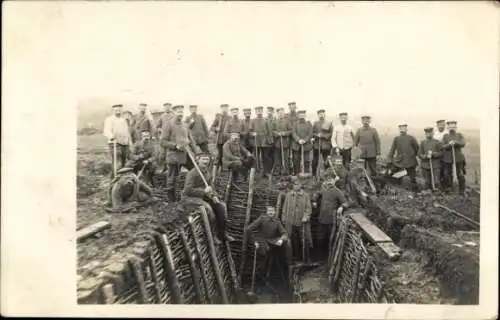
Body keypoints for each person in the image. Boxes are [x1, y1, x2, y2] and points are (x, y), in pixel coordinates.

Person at [181, 152, 235, 243]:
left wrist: (214, 196)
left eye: (207, 159)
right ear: (198, 160)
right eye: (203, 159)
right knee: (209, 210)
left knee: (221, 207)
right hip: (189, 198)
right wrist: (203, 191)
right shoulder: (192, 173)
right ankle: (213, 236)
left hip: (203, 197)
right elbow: (187, 190)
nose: (206, 161)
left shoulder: (207, 172)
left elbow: (211, 187)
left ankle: (222, 233)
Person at [160, 104, 199, 202]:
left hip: (186, 154)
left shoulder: (185, 124)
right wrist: (175, 146)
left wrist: (198, 153)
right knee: (172, 177)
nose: (180, 114)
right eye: (178, 112)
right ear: (174, 112)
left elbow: (191, 140)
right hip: (174, 155)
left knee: (195, 171)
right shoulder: (168, 124)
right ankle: (171, 200)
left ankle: (192, 192)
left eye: (182, 112)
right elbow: (163, 142)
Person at [246, 206, 292, 279]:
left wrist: (281, 240)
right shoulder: (262, 219)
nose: (270, 212)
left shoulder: (277, 221)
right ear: (267, 212)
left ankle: (288, 264)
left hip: (271, 240)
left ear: (275, 212)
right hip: (262, 240)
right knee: (264, 256)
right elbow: (249, 229)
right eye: (269, 211)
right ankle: (260, 276)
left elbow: (284, 233)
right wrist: (254, 241)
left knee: (287, 241)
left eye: (272, 211)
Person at [315, 177, 349, 260]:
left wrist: (341, 207)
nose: (329, 183)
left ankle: (331, 257)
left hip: (331, 220)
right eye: (328, 182)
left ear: (334, 182)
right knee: (320, 238)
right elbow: (317, 193)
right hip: (322, 218)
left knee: (332, 238)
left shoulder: (337, 191)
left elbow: (345, 203)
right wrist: (314, 199)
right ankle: (319, 256)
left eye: (331, 182)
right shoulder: (323, 189)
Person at [281, 182, 312, 262]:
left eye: (298, 184)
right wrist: (284, 218)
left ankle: (306, 259)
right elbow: (285, 207)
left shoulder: (305, 195)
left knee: (305, 240)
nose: (296, 186)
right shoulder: (288, 195)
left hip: (302, 222)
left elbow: (308, 209)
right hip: (291, 222)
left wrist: (306, 217)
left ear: (300, 185)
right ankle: (295, 258)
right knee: (294, 240)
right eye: (295, 184)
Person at [103, 104, 133, 178]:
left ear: (122, 110)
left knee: (124, 163)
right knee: (117, 164)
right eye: (116, 110)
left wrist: (130, 143)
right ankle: (114, 181)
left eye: (119, 110)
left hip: (125, 144)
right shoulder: (109, 119)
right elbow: (106, 130)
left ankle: (122, 181)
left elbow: (127, 132)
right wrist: (111, 136)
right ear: (113, 111)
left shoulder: (124, 120)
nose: (118, 111)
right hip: (115, 144)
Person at [441, 121, 466, 195]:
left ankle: (462, 191)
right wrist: (449, 144)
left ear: (456, 127)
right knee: (446, 174)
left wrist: (455, 142)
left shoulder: (459, 135)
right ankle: (448, 189)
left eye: (453, 127)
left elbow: (463, 143)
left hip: (458, 158)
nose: (452, 128)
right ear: (448, 127)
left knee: (460, 174)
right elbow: (443, 146)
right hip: (447, 159)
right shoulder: (445, 136)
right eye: (450, 127)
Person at [249, 106, 273, 176]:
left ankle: (266, 171)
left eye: (260, 110)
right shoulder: (253, 120)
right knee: (255, 156)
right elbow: (250, 131)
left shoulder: (266, 120)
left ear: (262, 111)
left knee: (265, 156)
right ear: (255, 112)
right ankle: (256, 170)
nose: (259, 112)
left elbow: (269, 131)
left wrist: (269, 140)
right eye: (257, 111)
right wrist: (253, 133)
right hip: (256, 141)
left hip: (264, 141)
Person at [418, 127, 443, 192]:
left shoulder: (437, 142)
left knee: (436, 181)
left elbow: (441, 153)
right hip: (425, 165)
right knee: (427, 182)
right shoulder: (423, 142)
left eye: (430, 132)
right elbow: (419, 154)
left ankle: (437, 193)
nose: (428, 134)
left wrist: (434, 154)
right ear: (425, 134)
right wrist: (425, 156)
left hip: (435, 165)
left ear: (433, 133)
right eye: (427, 133)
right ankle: (428, 194)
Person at [291, 110, 313, 175]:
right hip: (296, 145)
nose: (301, 116)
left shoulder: (308, 124)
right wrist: (298, 140)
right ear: (298, 116)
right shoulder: (295, 124)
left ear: (305, 115)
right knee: (296, 160)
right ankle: (297, 173)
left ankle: (306, 173)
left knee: (306, 160)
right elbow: (293, 133)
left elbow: (310, 133)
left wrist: (305, 140)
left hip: (306, 145)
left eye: (303, 114)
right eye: (300, 114)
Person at [312, 109, 333, 176]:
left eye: (322, 114)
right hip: (317, 144)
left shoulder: (329, 123)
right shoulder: (315, 123)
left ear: (325, 114)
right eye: (320, 114)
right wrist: (317, 135)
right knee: (315, 160)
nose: (321, 115)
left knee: (327, 160)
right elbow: (312, 133)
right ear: (318, 115)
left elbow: (331, 133)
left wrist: (323, 136)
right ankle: (314, 174)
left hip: (326, 145)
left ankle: (327, 174)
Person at [272, 107, 292, 176]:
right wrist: (277, 134)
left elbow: (290, 131)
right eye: (279, 113)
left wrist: (285, 133)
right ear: (277, 114)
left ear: (284, 114)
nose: (280, 114)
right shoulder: (275, 122)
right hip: (277, 142)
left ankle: (286, 170)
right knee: (277, 157)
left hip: (285, 142)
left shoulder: (287, 121)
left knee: (285, 157)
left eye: (282, 113)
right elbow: (272, 131)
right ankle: (278, 170)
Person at [210, 104, 231, 168]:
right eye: (223, 108)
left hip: (228, 139)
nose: (225, 109)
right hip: (220, 139)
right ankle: (219, 167)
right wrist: (216, 129)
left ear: (228, 109)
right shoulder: (218, 118)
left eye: (226, 108)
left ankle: (227, 166)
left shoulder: (230, 118)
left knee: (227, 153)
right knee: (220, 154)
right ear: (221, 109)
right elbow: (212, 127)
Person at [155, 102, 174, 173]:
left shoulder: (174, 115)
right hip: (164, 138)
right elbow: (158, 126)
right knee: (163, 154)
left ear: (171, 107)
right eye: (166, 106)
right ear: (164, 107)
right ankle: (164, 167)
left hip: (172, 138)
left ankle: (170, 168)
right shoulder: (162, 116)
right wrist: (160, 131)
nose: (167, 108)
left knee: (171, 153)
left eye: (169, 106)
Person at [433, 119, 448, 187]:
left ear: (445, 125)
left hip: (446, 155)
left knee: (446, 171)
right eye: (439, 125)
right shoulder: (435, 134)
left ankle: (447, 186)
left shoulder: (447, 133)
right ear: (437, 126)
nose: (441, 126)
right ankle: (439, 185)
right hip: (437, 155)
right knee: (438, 170)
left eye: (442, 125)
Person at [265, 107, 277, 175]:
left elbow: (276, 129)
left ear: (273, 112)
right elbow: (265, 131)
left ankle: (273, 169)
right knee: (267, 156)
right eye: (268, 111)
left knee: (274, 156)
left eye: (271, 111)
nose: (270, 112)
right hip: (267, 141)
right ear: (267, 112)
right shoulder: (265, 120)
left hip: (275, 141)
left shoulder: (275, 119)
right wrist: (268, 139)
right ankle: (267, 170)